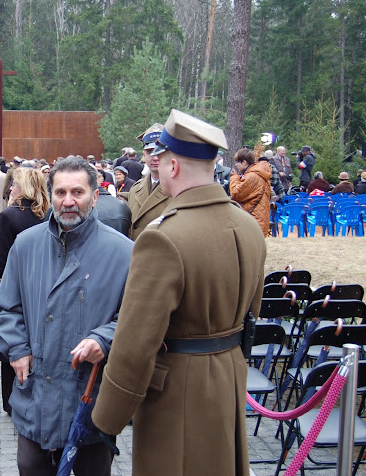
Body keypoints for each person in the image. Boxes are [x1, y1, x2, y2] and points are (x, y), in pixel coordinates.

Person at [91, 109, 266, 476]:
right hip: (229, 375)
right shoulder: (248, 226)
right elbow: (253, 309)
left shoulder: (162, 237)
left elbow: (135, 344)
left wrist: (105, 419)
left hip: (178, 392)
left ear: (172, 167)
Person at [0, 157, 133, 476]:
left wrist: (104, 339)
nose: (68, 201)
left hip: (90, 400)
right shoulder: (26, 245)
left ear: (95, 196)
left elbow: (136, 321)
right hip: (35, 395)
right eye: (61, 192)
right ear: (49, 195)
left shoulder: (124, 252)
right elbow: (3, 310)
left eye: (78, 192)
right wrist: (18, 348)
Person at [0, 166, 50, 414]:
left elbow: (2, 259)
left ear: (22, 186)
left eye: (14, 184)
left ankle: (11, 398)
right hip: (46, 286)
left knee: (14, 337)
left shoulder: (9, 215)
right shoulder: (49, 213)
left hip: (18, 287)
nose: (10, 188)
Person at [125, 123, 170, 241]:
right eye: (150, 152)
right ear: (144, 155)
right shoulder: (135, 189)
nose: (155, 157)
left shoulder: (178, 190)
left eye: (160, 152)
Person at [229, 147, 272, 236]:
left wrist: (234, 178)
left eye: (237, 162)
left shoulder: (252, 176)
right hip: (259, 218)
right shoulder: (259, 173)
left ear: (244, 162)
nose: (236, 165)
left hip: (253, 220)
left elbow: (236, 194)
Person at [95, 170, 131, 235]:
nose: (118, 177)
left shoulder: (86, 206)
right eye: (116, 175)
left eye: (119, 174)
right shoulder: (121, 205)